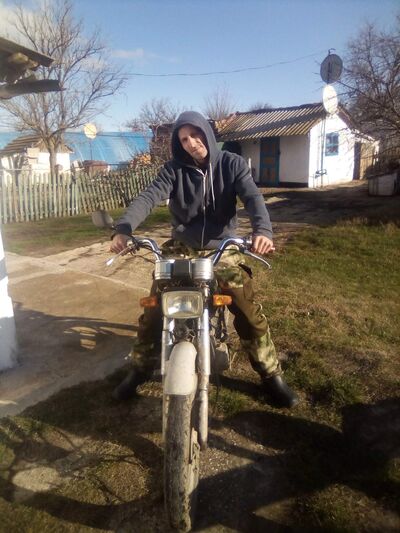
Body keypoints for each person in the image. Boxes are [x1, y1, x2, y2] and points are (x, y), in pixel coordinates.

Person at [110, 111, 298, 408]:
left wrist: (263, 231)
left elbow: (252, 198)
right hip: (182, 246)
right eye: (184, 139)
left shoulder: (232, 164)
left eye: (195, 135)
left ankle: (270, 374)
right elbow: (148, 197)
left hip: (222, 246)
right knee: (155, 306)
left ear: (207, 134)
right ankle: (140, 368)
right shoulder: (173, 170)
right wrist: (123, 229)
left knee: (245, 306)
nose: (191, 143)